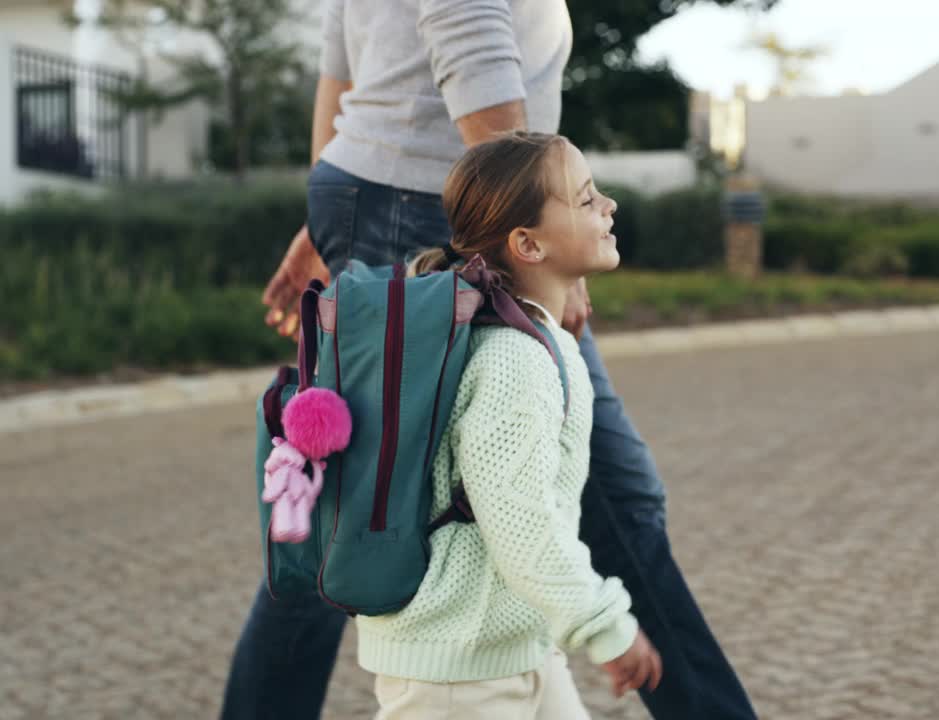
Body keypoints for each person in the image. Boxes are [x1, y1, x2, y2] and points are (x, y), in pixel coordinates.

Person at [221, 2, 757, 718]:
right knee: (607, 497)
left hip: (381, 192)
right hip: (444, 201)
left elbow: (341, 71)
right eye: (592, 198)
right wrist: (541, 235)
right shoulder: (525, 258)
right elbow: (468, 50)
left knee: (356, 495)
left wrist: (329, 216)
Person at [357, 130, 660, 719]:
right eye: (584, 198)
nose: (609, 206)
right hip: (457, 674)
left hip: (517, 648)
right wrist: (604, 625)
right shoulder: (514, 359)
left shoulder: (537, 340)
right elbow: (518, 514)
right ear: (528, 244)